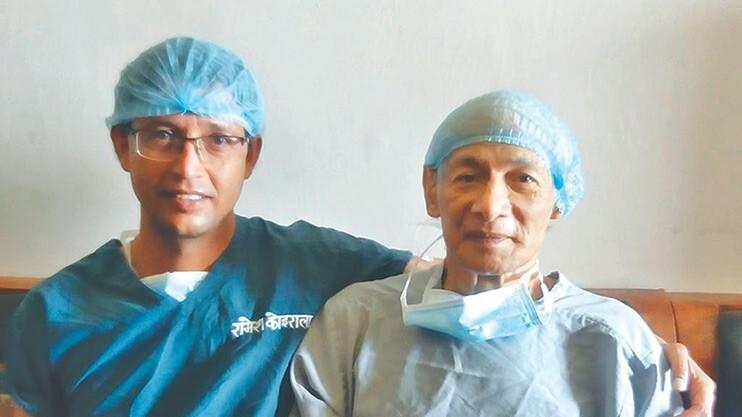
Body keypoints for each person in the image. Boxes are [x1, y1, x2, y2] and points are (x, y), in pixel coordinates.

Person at [4, 38, 711, 417]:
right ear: (121, 145)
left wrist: (649, 353)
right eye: (160, 134)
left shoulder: (319, 268)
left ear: (250, 154)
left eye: (218, 138)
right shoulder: (58, 310)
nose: (189, 164)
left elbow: (479, 282)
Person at [290, 90, 702, 416]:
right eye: (468, 176)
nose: (490, 205)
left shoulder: (613, 341)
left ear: (557, 202)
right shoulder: (354, 323)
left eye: (522, 179)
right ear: (431, 191)